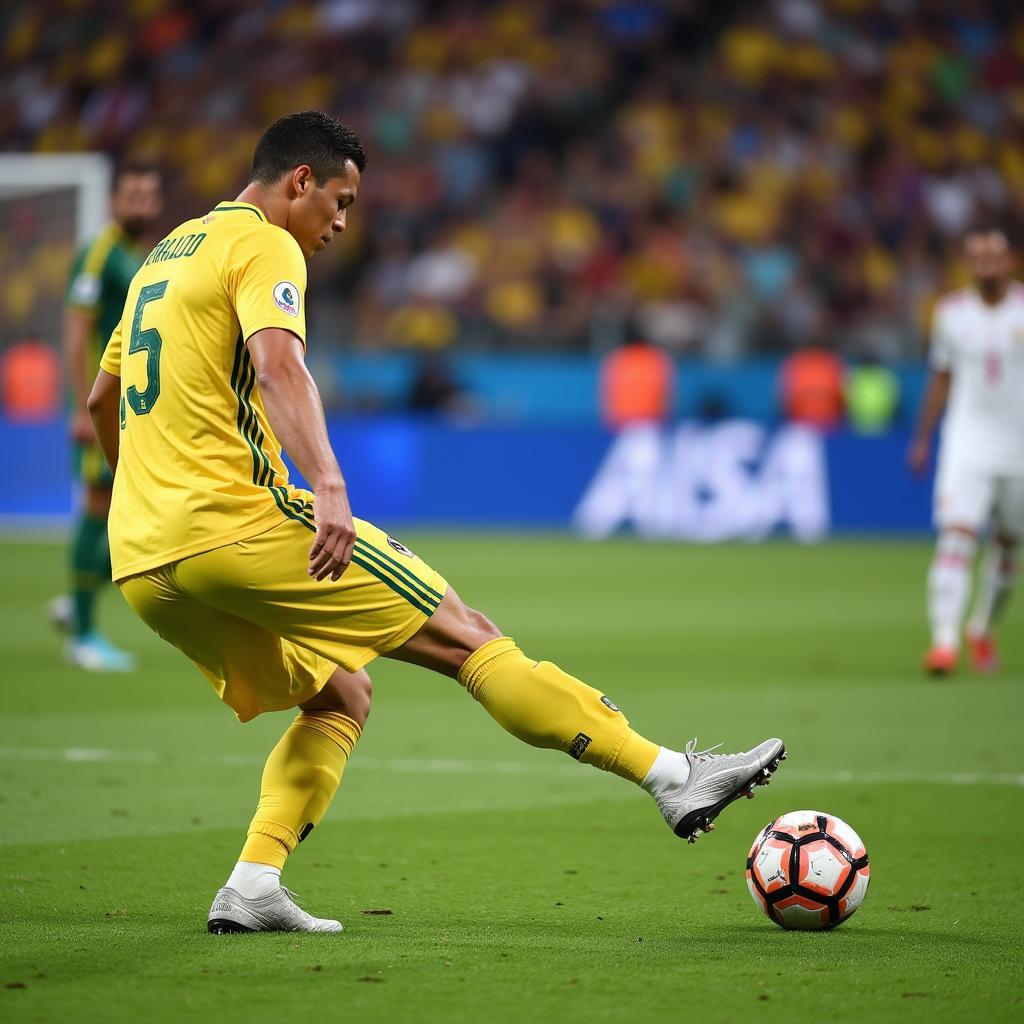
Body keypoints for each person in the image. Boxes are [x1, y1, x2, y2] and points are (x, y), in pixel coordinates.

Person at [86, 110, 785, 934]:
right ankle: (672, 775)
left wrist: (131, 496)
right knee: (467, 636)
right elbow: (279, 366)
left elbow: (101, 403)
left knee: (342, 691)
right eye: (339, 201)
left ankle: (252, 882)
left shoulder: (162, 257)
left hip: (143, 561)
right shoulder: (262, 242)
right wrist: (330, 487)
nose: (341, 224)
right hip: (236, 524)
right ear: (299, 181)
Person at [51, 160, 163, 671]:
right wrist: (79, 403)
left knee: (119, 509)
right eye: (132, 196)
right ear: (114, 201)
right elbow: (78, 329)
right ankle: (83, 630)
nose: (141, 205)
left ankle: (76, 602)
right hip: (102, 407)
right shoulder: (99, 255)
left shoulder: (132, 255)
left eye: (148, 196)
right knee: (103, 505)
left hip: (128, 407)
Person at [909, 227, 1024, 675]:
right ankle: (943, 644)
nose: (986, 265)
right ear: (968, 264)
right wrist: (922, 437)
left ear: (1009, 260)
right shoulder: (952, 313)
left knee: (1009, 546)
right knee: (956, 535)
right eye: (977, 258)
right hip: (967, 443)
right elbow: (940, 376)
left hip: (1019, 447)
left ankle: (981, 627)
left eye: (993, 257)